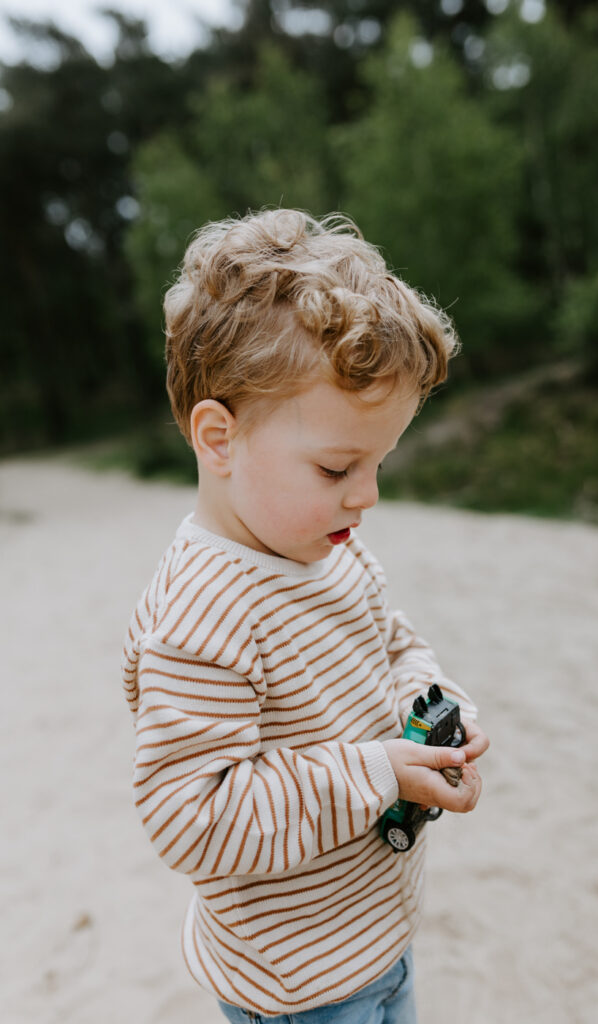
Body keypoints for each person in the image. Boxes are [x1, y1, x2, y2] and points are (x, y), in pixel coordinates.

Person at [121, 208, 489, 1024]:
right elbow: (192, 819)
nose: (368, 495)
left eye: (379, 462)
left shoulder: (329, 546)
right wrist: (379, 772)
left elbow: (392, 643)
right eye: (337, 466)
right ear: (218, 438)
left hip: (371, 934)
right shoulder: (203, 613)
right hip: (299, 989)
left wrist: (432, 709)